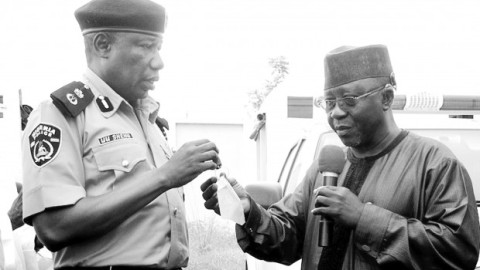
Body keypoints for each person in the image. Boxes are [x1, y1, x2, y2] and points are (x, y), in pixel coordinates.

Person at [201, 44, 480, 269]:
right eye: (329, 102)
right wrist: (248, 211)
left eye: (348, 101)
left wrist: (363, 218)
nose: (335, 113)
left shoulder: (435, 164)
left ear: (386, 98)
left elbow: (458, 253)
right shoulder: (325, 168)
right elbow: (288, 238)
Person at [21, 0, 221, 269]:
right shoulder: (61, 114)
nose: (159, 62)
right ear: (103, 45)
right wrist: (165, 176)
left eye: (159, 48)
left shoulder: (151, 121)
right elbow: (53, 228)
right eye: (146, 46)